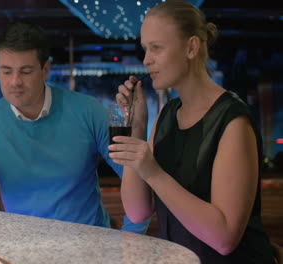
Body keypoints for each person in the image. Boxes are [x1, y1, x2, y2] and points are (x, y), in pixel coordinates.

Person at [0, 21, 150, 233]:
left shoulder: (89, 111)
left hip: (90, 245)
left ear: (45, 69)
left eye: (25, 71)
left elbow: (137, 176)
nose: (15, 81)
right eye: (6, 71)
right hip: (23, 246)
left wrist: (131, 239)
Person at [109, 1, 274, 263]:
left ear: (191, 47)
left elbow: (224, 239)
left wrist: (153, 172)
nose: (146, 59)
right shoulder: (167, 115)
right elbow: (137, 211)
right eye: (145, 49)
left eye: (157, 48)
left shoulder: (232, 120)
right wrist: (137, 128)